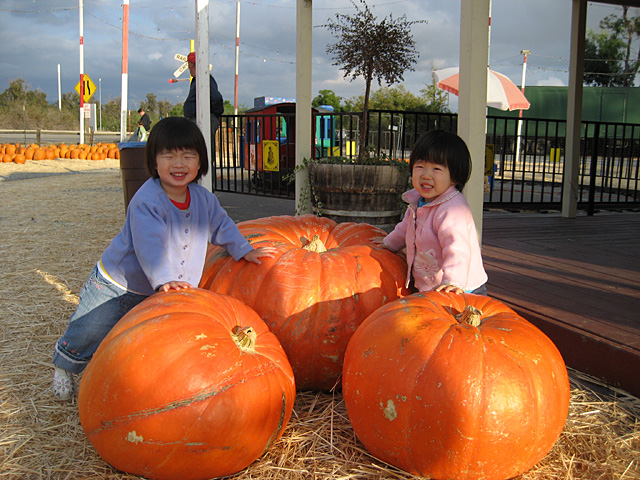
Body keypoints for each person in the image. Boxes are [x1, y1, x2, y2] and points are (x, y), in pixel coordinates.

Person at [51, 116, 276, 401]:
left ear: (200, 163)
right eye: (168, 156)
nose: (178, 164)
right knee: (91, 328)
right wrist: (165, 278)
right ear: (154, 162)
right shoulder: (147, 201)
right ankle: (65, 364)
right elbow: (150, 246)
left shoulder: (204, 199)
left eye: (187, 156)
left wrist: (244, 249)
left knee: (144, 339)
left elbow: (222, 226)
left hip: (167, 291)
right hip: (120, 285)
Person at [379, 129, 488, 295]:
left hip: (461, 290)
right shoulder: (418, 201)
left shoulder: (451, 210)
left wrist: (454, 281)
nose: (426, 175)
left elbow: (457, 248)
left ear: (455, 177)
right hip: (429, 287)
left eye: (436, 169)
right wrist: (388, 244)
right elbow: (405, 228)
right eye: (420, 166)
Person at [183, 51, 224, 158]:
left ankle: (207, 172)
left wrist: (213, 113)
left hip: (203, 119)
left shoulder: (205, 79)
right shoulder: (200, 79)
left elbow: (216, 98)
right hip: (200, 118)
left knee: (203, 151)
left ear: (192, 65)